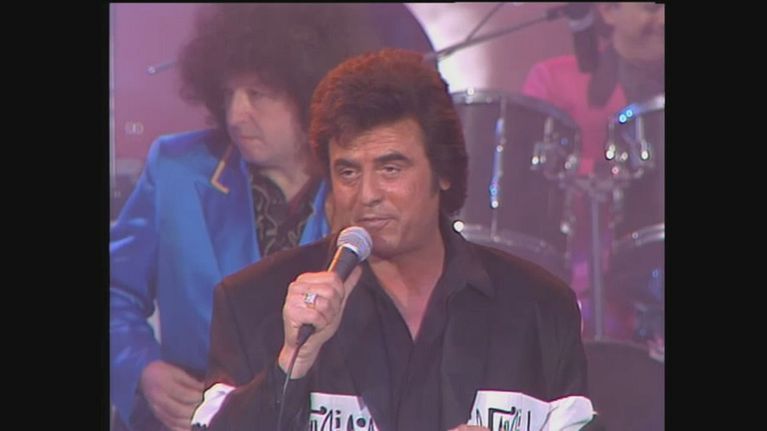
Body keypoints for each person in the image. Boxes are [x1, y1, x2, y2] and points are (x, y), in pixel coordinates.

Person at [193, 48, 596, 431]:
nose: (367, 194)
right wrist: (290, 366)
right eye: (348, 172)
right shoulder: (254, 304)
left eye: (391, 169)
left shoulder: (538, 307)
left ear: (443, 171)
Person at [110, 5, 433, 430]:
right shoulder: (175, 169)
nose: (236, 115)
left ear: (307, 91)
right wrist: (142, 370)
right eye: (228, 94)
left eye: (257, 94)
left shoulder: (360, 187)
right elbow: (114, 291)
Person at [521, 2, 665, 341]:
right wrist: (607, 173)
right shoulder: (555, 79)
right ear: (609, 11)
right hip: (589, 295)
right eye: (652, 7)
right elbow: (529, 182)